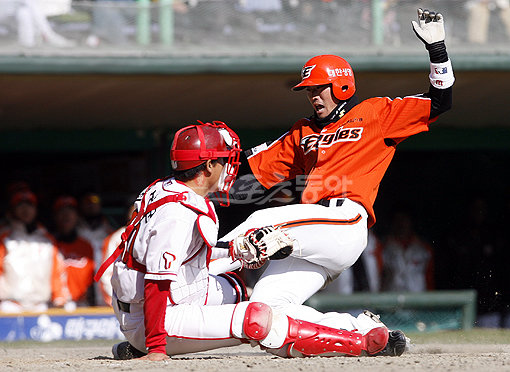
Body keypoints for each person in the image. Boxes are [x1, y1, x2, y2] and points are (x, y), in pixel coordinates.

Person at [218, 7, 453, 336]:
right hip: (312, 231)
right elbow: (254, 181)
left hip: (345, 221)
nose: (313, 95)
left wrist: (437, 48)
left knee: (261, 223)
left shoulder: (374, 113)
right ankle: (361, 331)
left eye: (319, 87)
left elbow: (440, 101)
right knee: (264, 312)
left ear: (341, 85)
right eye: (309, 90)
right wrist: (203, 189)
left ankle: (191, 275)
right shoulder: (302, 131)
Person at [95, 121, 395, 361]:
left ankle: (357, 325)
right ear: (208, 166)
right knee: (258, 319)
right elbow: (157, 281)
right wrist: (156, 349)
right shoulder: (177, 212)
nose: (230, 167)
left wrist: (236, 251)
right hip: (156, 313)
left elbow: (186, 255)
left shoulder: (166, 188)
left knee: (248, 293)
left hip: (174, 293)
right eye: (224, 161)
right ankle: (359, 341)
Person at [0, 190, 71, 313]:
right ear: (13, 209)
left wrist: (60, 298)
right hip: (10, 305)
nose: (25, 209)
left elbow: (57, 272)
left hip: (40, 305)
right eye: (20, 205)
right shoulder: (4, 237)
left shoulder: (47, 240)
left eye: (30, 205)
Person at [53, 195, 95, 307]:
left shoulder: (86, 246)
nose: (66, 215)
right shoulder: (49, 245)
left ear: (77, 215)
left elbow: (92, 281)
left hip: (81, 304)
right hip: (55, 304)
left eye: (70, 211)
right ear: (55, 216)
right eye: (62, 211)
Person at [380, 210, 434, 292]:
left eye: (404, 220)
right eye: (398, 220)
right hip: (391, 300)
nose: (401, 224)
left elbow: (430, 279)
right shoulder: (382, 247)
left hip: (418, 301)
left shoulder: (424, 249)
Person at [77, 191, 113, 305]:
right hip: (81, 287)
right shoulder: (75, 231)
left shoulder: (109, 231)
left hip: (103, 285)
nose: (91, 206)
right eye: (87, 203)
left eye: (94, 202)